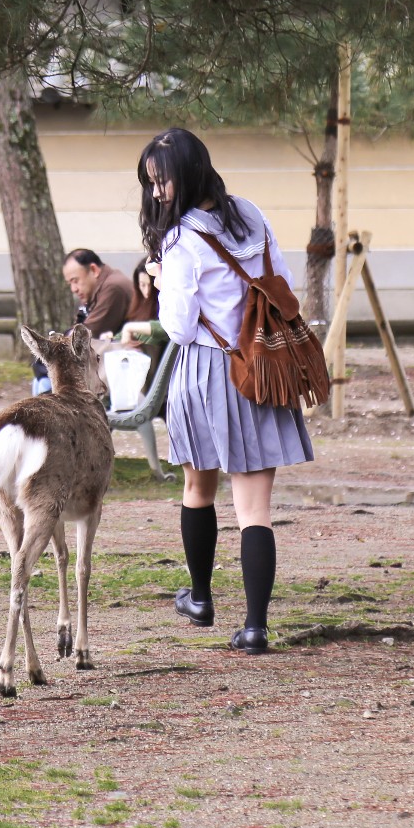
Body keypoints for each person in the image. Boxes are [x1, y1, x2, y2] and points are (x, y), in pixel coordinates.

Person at [139, 127, 312, 654]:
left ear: (186, 176)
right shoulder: (252, 214)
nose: (157, 194)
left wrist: (163, 280)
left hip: (206, 371)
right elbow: (280, 280)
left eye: (161, 182)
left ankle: (200, 597)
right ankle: (256, 627)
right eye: (150, 184)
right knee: (254, 510)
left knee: (198, 490)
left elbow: (180, 327)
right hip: (261, 366)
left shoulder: (180, 239)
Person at [62, 248, 140, 337]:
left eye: (75, 281)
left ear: (94, 270)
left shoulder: (112, 287)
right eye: (70, 283)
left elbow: (85, 335)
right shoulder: (93, 291)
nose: (73, 289)